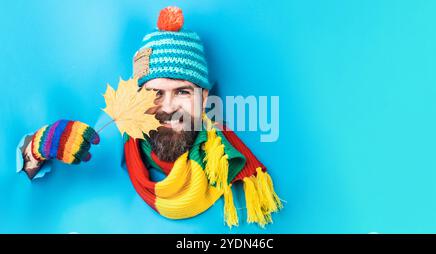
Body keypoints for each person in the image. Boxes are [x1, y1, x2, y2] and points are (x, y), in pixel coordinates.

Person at [17, 6, 282, 228]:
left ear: (203, 97)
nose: (168, 107)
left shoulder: (223, 159)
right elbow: (29, 169)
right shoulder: (105, 141)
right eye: (155, 92)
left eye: (182, 91)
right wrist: (35, 149)